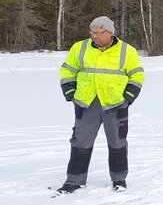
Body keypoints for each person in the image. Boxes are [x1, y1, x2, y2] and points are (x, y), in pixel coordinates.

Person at [56, 16, 145, 194]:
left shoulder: (127, 51)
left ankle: (119, 180)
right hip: (87, 104)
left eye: (98, 33)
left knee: (117, 143)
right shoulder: (79, 48)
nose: (94, 36)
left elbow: (137, 75)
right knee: (80, 142)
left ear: (109, 32)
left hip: (115, 104)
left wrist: (127, 98)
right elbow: (67, 70)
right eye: (92, 33)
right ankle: (74, 181)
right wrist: (70, 93)